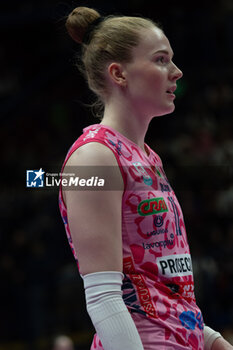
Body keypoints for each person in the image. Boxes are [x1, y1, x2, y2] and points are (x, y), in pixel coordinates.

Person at [59, 6, 233, 350]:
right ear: (119, 74)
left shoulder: (149, 158)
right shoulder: (94, 159)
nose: (177, 72)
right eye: (161, 59)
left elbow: (158, 285)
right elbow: (103, 296)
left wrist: (209, 339)